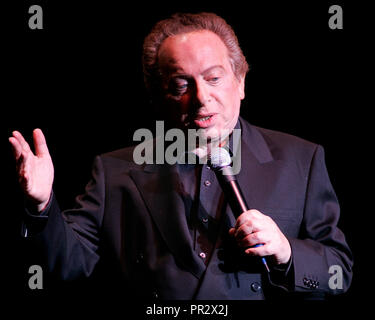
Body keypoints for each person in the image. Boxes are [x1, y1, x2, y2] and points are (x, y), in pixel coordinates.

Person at [9, 12, 352, 300]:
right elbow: (68, 265)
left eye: (214, 78)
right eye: (180, 85)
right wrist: (41, 206)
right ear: (159, 97)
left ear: (241, 81)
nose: (201, 97)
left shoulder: (300, 160)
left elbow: (338, 270)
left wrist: (286, 252)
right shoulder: (115, 171)